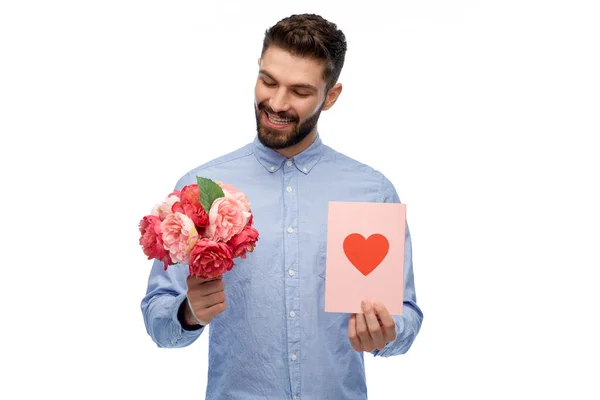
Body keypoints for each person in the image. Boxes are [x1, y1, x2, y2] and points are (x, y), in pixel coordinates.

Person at [141, 13, 423, 400]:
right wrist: (187, 314)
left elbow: (405, 315)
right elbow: (158, 320)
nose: (276, 103)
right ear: (258, 69)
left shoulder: (371, 192)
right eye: (268, 81)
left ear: (332, 96)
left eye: (300, 92)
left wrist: (388, 332)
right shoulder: (200, 190)